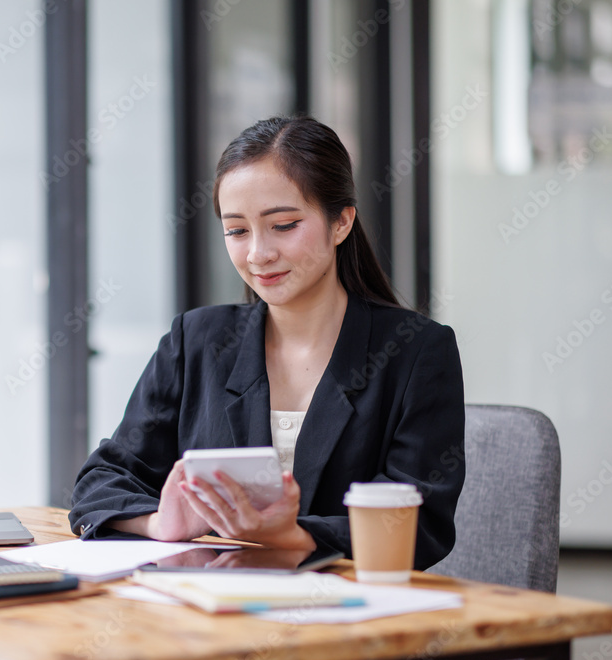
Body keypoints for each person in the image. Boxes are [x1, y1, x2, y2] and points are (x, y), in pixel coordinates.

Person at [68, 115, 464, 569]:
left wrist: (293, 537)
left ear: (341, 223)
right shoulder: (195, 341)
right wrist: (160, 523)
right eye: (237, 231)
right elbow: (102, 479)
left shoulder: (416, 352)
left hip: (344, 614)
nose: (258, 253)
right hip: (210, 613)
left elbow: (421, 522)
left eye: (283, 225)